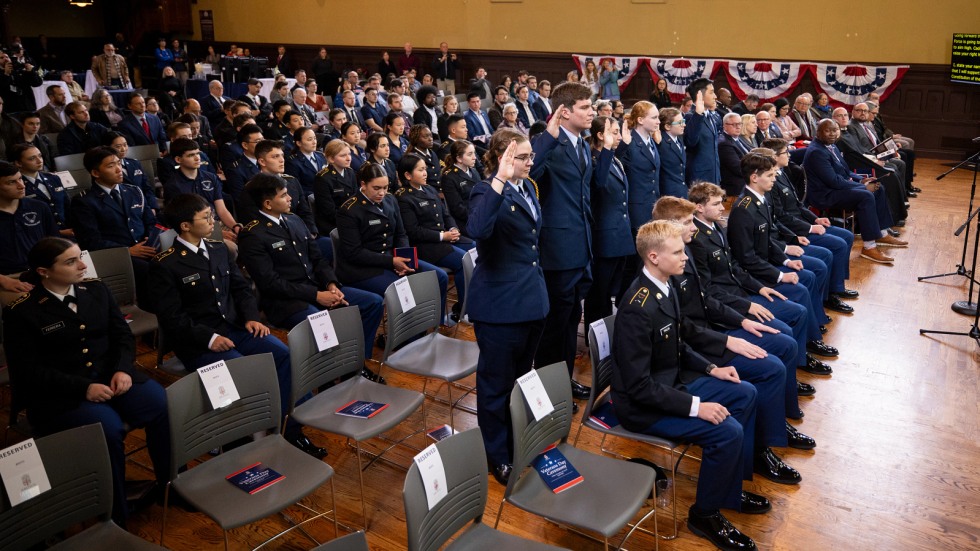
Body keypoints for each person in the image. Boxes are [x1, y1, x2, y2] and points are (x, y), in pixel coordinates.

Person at [611, 220, 776, 551]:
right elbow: (639, 386)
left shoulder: (666, 285)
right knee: (725, 431)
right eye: (678, 252)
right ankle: (704, 514)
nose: (686, 256)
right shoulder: (636, 309)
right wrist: (697, 407)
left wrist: (712, 367)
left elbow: (678, 342)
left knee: (745, 393)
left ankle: (728, 488)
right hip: (642, 406)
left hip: (670, 384)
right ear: (654, 257)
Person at [4, 237, 171, 525]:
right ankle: (115, 512)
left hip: (110, 377)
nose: (82, 265)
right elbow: (29, 371)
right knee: (106, 429)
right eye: (70, 262)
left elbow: (121, 336)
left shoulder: (95, 289)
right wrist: (84, 388)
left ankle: (170, 484)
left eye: (79, 257)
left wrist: (122, 370)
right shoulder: (23, 311)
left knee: (160, 402)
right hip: (60, 394)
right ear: (44, 271)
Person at [149, 193, 326, 458]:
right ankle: (238, 440)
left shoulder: (218, 249)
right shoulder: (166, 264)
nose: (213, 221)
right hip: (199, 340)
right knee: (237, 371)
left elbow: (241, 289)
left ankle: (291, 429)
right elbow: (172, 317)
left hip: (235, 327)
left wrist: (251, 317)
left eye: (212, 215)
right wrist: (209, 339)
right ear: (185, 225)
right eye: (206, 217)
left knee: (282, 355)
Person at [652, 196, 811, 430]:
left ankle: (781, 413)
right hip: (700, 343)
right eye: (688, 222)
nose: (694, 226)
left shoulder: (684, 252)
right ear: (671, 225)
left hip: (710, 329)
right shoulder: (667, 265)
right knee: (772, 364)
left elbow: (705, 298)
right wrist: (729, 336)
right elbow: (686, 323)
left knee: (783, 343)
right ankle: (773, 429)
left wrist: (742, 320)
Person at [466, 131, 548, 484]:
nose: (531, 163)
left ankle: (518, 438)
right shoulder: (486, 190)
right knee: (495, 383)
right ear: (503, 157)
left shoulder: (528, 188)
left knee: (519, 376)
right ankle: (496, 454)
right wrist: (499, 177)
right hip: (499, 305)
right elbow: (478, 230)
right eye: (524, 157)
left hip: (530, 298)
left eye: (530, 156)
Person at [687, 181, 827, 381]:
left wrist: (760, 288)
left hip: (742, 290)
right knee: (786, 328)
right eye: (716, 204)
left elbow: (734, 267)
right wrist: (747, 304)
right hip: (730, 303)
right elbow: (708, 290)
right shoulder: (697, 240)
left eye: (721, 203)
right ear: (699, 208)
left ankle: (799, 361)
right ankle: (793, 373)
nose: (722, 208)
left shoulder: (715, 227)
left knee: (797, 310)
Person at [238, 174, 384, 365]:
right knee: (321, 322)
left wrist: (331, 284)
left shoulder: (294, 220)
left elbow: (318, 259)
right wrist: (316, 295)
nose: (290, 198)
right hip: (286, 301)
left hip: (316, 287)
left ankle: (357, 362)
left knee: (372, 302)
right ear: (267, 203)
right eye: (283, 195)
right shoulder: (253, 235)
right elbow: (270, 283)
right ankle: (333, 373)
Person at [530, 81, 614, 399]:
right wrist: (548, 136)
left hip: (581, 246)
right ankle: (549, 387)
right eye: (585, 107)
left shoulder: (579, 142)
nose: (592, 112)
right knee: (555, 323)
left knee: (569, 318)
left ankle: (562, 379)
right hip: (558, 249)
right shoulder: (548, 143)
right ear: (564, 112)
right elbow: (530, 174)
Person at [727, 151, 839, 360]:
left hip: (767, 262)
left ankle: (810, 335)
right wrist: (779, 275)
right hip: (756, 273)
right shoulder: (743, 209)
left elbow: (768, 238)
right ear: (754, 177)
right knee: (802, 287)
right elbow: (746, 258)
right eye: (769, 175)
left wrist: (786, 259)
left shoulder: (761, 199)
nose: (774, 178)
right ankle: (804, 353)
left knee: (808, 275)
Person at [335, 163, 449, 320]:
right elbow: (354, 253)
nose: (382, 193)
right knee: (405, 292)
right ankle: (408, 340)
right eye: (376, 188)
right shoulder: (349, 210)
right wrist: (392, 261)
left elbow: (401, 234)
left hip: (392, 259)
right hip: (364, 269)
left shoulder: (390, 200)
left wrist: (405, 258)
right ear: (363, 184)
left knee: (439, 276)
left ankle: (435, 322)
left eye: (385, 187)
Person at [761, 138, 857, 311]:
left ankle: (837, 287)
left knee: (847, 236)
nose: (790, 155)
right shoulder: (771, 181)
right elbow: (780, 216)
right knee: (837, 245)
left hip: (801, 222)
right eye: (785, 152)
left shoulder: (784, 172)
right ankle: (830, 296)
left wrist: (815, 219)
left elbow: (798, 204)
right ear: (774, 156)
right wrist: (810, 228)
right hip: (793, 229)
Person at [802, 119, 908, 264]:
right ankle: (869, 247)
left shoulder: (830, 146)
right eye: (828, 131)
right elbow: (833, 181)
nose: (832, 134)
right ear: (818, 133)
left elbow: (845, 172)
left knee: (878, 187)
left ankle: (882, 233)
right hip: (825, 194)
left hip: (836, 188)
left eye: (835, 130)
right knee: (865, 195)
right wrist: (863, 187)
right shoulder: (817, 152)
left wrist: (861, 180)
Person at [71, 146, 159, 305]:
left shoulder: (134, 191)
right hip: (114, 255)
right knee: (151, 271)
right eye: (111, 166)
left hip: (145, 248)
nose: (119, 169)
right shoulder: (84, 201)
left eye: (119, 163)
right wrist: (127, 251)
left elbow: (150, 222)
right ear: (95, 173)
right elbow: (91, 241)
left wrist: (150, 240)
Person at [395, 153, 474, 319]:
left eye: (425, 169)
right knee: (462, 261)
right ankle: (463, 311)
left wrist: (453, 228)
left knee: (474, 248)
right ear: (408, 175)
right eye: (421, 170)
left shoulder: (429, 189)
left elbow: (446, 214)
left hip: (443, 239)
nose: (426, 173)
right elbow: (413, 231)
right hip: (426, 246)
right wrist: (442, 236)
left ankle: (471, 303)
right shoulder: (403, 197)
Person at [583, 116, 631, 326]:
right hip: (604, 237)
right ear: (601, 135)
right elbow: (600, 183)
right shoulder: (594, 160)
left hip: (619, 234)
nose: (618, 136)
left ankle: (609, 331)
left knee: (611, 291)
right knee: (599, 294)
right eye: (614, 132)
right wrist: (610, 150)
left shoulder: (612, 158)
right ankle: (597, 338)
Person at [0, 160, 59, 286]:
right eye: (11, 182)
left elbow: (55, 244)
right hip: (10, 278)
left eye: (20, 179)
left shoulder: (39, 207)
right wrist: (4, 281)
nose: (21, 185)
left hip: (45, 272)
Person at [620, 101, 662, 229]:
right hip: (636, 208)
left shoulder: (651, 141)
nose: (658, 121)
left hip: (653, 205)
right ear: (640, 120)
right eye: (654, 117)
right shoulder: (628, 142)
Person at [11, 143, 70, 234]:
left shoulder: (53, 178)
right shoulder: (17, 185)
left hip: (67, 230)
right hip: (40, 235)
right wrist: (58, 233)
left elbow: (67, 206)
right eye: (32, 158)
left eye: (40, 156)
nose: (39, 161)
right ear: (18, 163)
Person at [103, 131, 158, 213]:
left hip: (145, 205)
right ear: (108, 147)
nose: (123, 149)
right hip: (125, 210)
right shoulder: (105, 169)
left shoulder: (135, 163)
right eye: (118, 146)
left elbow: (147, 188)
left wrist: (153, 207)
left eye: (125, 145)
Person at [313, 139, 357, 235]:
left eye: (349, 154)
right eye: (343, 155)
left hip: (351, 219)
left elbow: (355, 199)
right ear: (331, 159)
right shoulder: (322, 178)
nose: (348, 158)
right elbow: (329, 211)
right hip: (333, 224)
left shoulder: (350, 172)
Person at [684, 78, 721, 185]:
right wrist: (698, 114)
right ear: (700, 94)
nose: (715, 96)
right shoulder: (690, 117)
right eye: (712, 92)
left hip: (713, 177)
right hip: (699, 180)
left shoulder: (710, 115)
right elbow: (691, 142)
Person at [440, 140, 478, 235]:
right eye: (470, 154)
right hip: (466, 222)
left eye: (474, 153)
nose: (474, 158)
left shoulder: (474, 172)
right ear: (459, 158)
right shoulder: (449, 177)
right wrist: (479, 215)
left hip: (480, 216)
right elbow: (458, 209)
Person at [718, 112, 753, 196]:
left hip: (747, 183)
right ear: (725, 126)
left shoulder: (738, 138)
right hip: (736, 189)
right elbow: (738, 168)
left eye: (740, 124)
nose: (738, 127)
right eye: (734, 124)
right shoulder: (724, 143)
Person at [284, 127, 325, 197]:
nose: (314, 142)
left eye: (315, 138)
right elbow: (295, 188)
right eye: (310, 139)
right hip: (309, 198)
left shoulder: (320, 155)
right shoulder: (292, 162)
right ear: (299, 143)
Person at [657, 107, 688, 198]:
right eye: (680, 122)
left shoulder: (679, 139)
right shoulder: (660, 142)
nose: (684, 125)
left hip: (681, 190)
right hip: (668, 194)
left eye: (683, 121)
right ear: (667, 126)